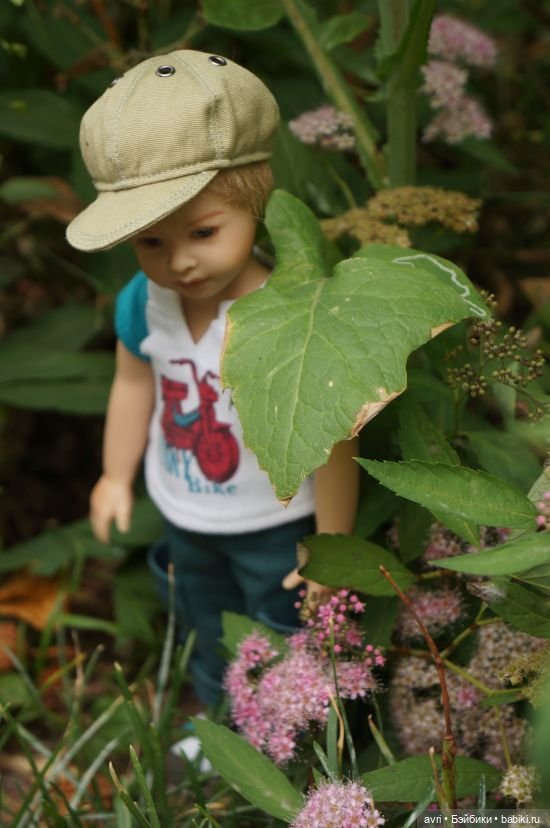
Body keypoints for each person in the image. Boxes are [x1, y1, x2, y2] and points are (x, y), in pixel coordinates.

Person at [66, 49, 359, 705]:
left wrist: (333, 547)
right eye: (150, 243)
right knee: (205, 620)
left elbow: (332, 434)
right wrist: (116, 475)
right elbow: (134, 384)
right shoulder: (143, 302)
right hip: (185, 511)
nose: (180, 263)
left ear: (254, 201)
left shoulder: (294, 312)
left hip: (278, 520)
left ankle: (296, 737)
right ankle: (218, 720)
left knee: (285, 629)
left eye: (203, 232)